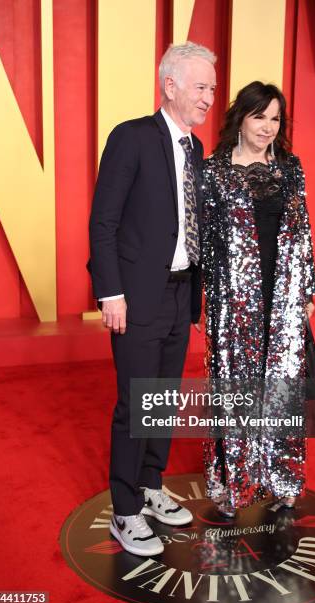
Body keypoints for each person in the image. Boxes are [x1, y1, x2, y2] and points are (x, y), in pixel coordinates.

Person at [88, 42, 217, 555]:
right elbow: (104, 222)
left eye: (212, 87)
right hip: (136, 297)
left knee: (163, 400)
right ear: (171, 86)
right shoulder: (132, 137)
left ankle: (150, 486)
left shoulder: (196, 149)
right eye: (202, 87)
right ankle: (124, 510)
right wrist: (110, 293)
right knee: (135, 403)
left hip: (180, 293)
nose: (210, 97)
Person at [202, 81, 315, 517]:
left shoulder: (290, 167)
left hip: (284, 291)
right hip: (234, 298)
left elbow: (303, 229)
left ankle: (283, 480)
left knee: (283, 388)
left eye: (275, 119)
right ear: (240, 118)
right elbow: (205, 242)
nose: (268, 127)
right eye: (259, 117)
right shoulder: (213, 171)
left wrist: (308, 287)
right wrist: (203, 300)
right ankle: (236, 484)